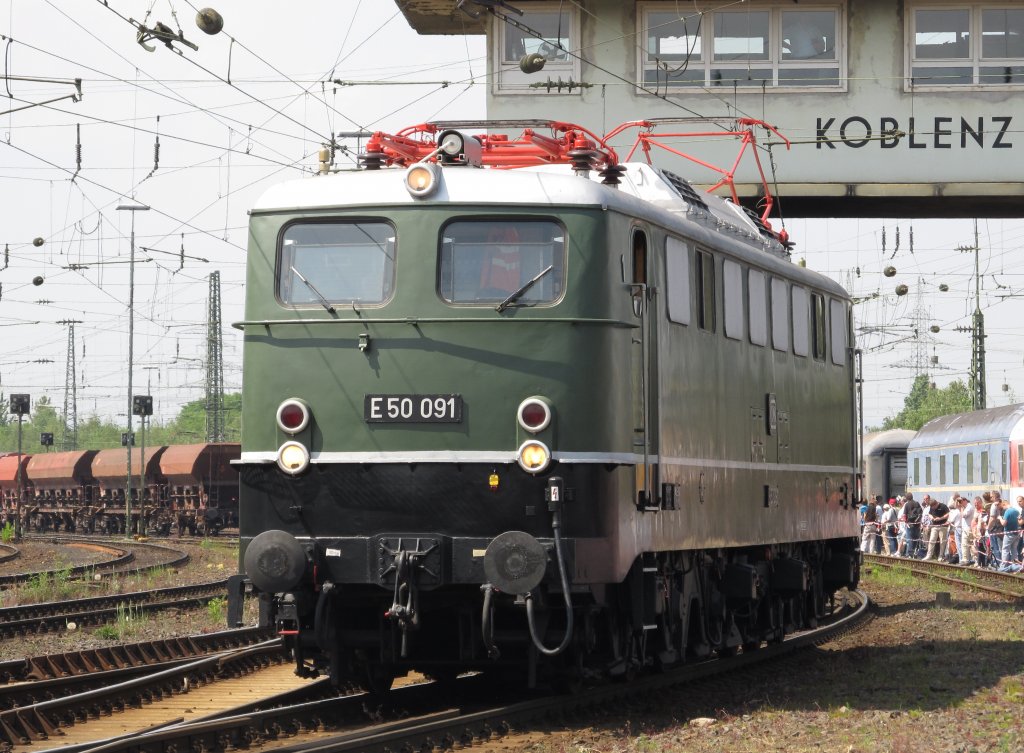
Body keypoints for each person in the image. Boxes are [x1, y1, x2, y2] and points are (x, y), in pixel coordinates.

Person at [998, 497, 1020, 571]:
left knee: (1005, 550)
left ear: (1004, 504)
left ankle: (1003, 566)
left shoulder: (1008, 511)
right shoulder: (1017, 511)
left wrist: (1000, 518)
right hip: (1016, 533)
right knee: (1014, 549)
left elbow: (1004, 523)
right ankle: (1015, 565)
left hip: (1009, 533)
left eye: (1003, 507)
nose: (1003, 509)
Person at [902, 492, 923, 559]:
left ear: (906, 498)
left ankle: (910, 553)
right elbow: (920, 513)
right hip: (917, 524)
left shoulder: (907, 504)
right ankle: (915, 552)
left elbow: (904, 515)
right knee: (916, 539)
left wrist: (906, 522)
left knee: (910, 539)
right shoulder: (917, 503)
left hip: (910, 524)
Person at [960, 496, 976, 565]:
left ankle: (967, 559)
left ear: (964, 501)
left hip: (968, 528)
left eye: (960, 502)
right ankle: (970, 559)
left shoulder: (969, 507)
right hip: (966, 528)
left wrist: (961, 509)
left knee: (966, 544)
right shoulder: (966, 507)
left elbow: (963, 515)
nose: (959, 503)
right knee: (967, 544)